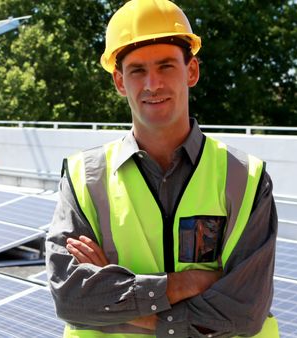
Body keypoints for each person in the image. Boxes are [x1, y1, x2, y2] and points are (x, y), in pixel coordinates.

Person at [45, 0, 279, 337]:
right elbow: (71, 299)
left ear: (192, 71)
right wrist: (188, 283)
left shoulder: (245, 178)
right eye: (137, 70)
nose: (152, 84)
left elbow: (244, 312)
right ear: (120, 81)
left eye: (166, 66)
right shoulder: (85, 176)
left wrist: (115, 296)